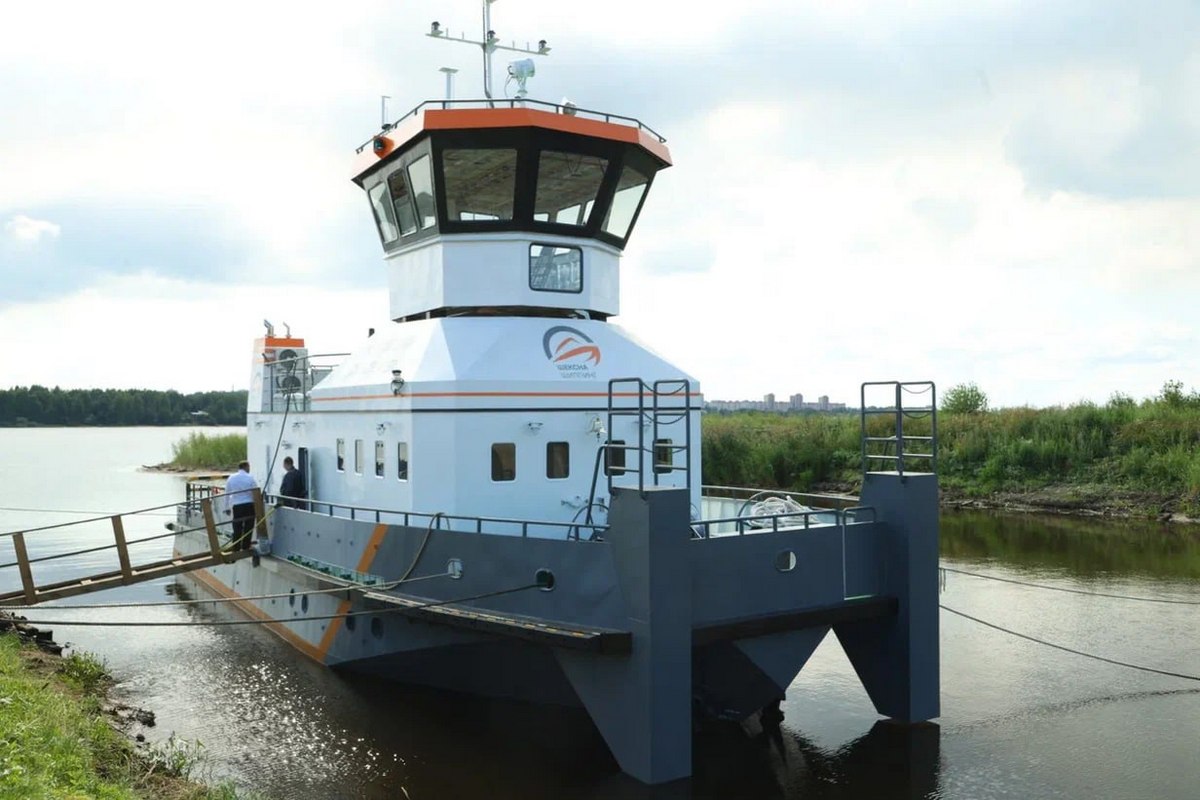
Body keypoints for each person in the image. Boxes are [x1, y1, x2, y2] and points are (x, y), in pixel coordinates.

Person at [223, 461, 258, 551]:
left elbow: (227, 493)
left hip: (237, 506)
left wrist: (226, 507)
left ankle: (236, 547)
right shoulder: (250, 478)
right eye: (248, 467)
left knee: (237, 526)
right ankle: (246, 546)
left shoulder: (231, 478)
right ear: (246, 467)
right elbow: (255, 492)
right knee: (248, 526)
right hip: (249, 504)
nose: (249, 469)